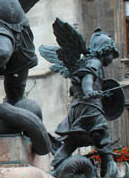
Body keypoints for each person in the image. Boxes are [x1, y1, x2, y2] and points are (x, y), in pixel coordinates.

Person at [51, 29, 120, 170]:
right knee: (103, 138)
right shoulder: (94, 63)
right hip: (90, 107)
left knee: (72, 142)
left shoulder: (87, 62)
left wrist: (101, 94)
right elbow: (87, 79)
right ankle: (109, 173)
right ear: (104, 51)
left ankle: (56, 167)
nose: (112, 59)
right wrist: (89, 91)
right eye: (111, 54)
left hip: (79, 107)